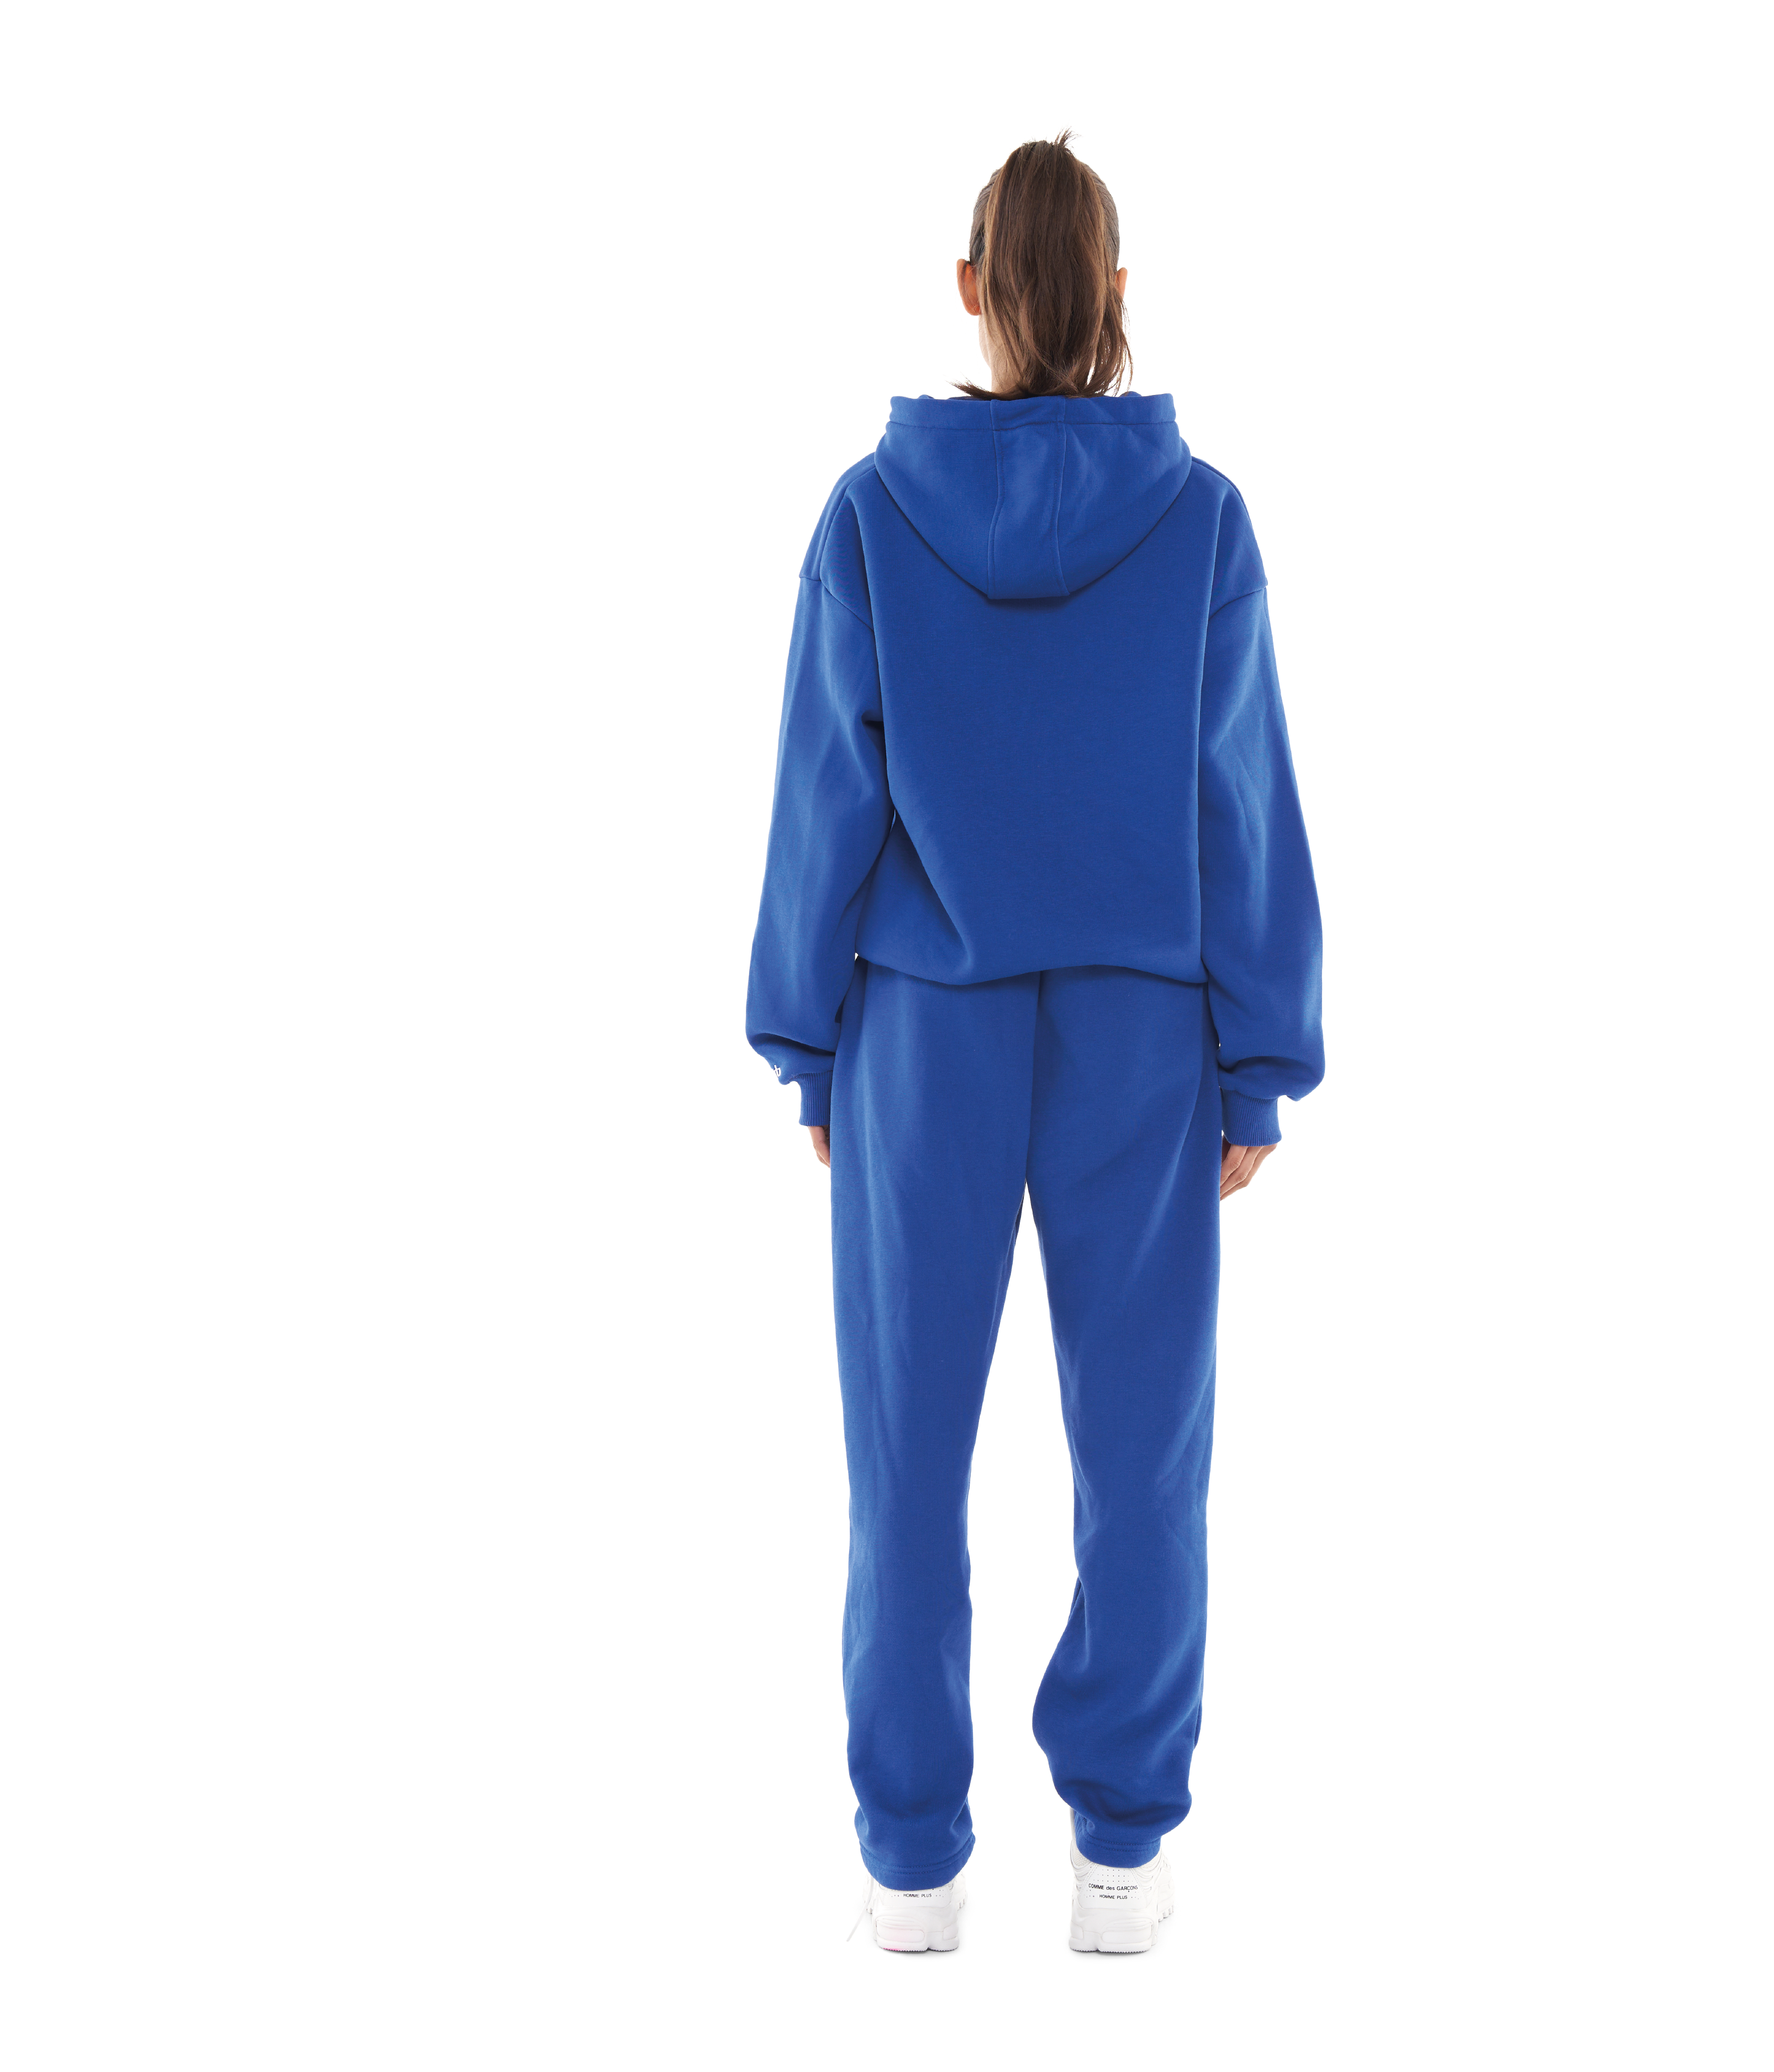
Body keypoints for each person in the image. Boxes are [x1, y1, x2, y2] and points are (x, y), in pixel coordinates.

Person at [745, 133, 1324, 1954]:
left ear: (970, 288)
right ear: (1119, 290)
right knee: (1141, 1452)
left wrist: (806, 1038)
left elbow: (824, 795)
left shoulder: (870, 513)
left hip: (923, 1021)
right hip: (1143, 1027)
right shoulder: (1201, 519)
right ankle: (1120, 1860)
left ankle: (910, 1863)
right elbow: (1240, 800)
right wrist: (1257, 1056)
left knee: (904, 1451)